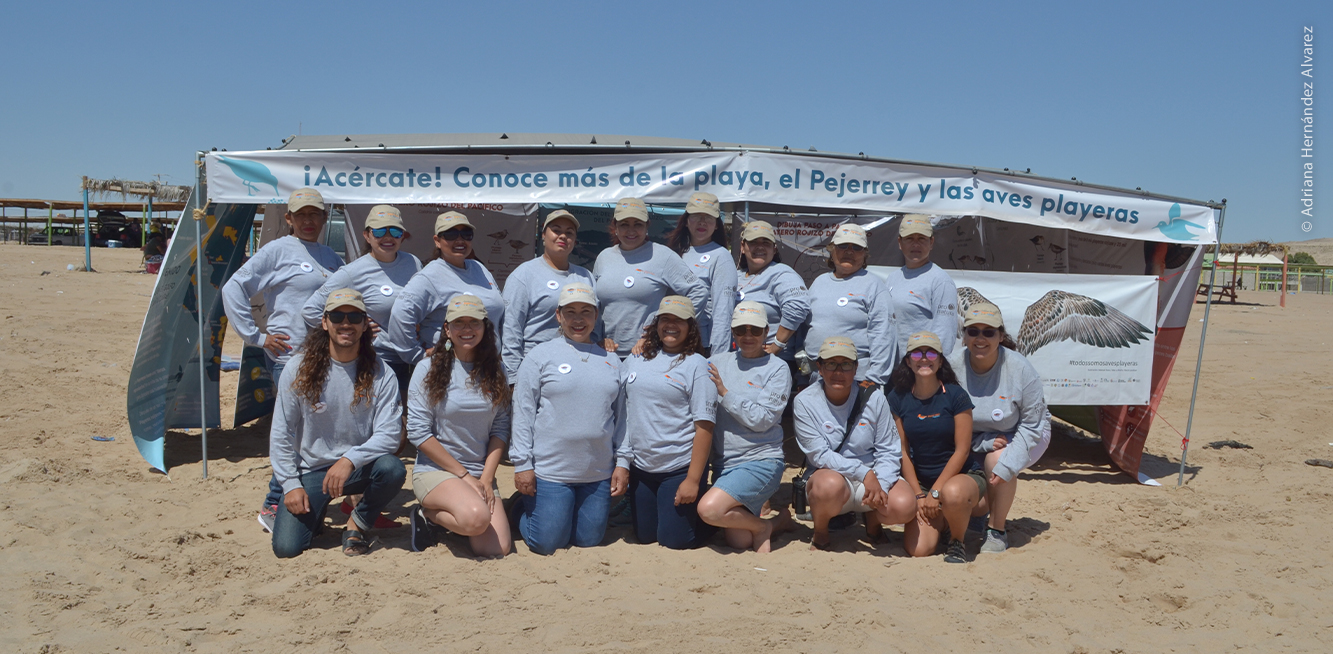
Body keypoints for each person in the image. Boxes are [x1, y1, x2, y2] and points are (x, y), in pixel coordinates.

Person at [222, 188, 344, 532]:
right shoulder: (277, 250)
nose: (309, 221)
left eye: (315, 214)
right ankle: (273, 504)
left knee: (316, 432)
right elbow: (234, 288)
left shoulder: (330, 256)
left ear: (324, 218)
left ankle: (306, 498)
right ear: (288, 219)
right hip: (289, 358)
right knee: (292, 433)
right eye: (301, 215)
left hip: (327, 360)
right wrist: (256, 336)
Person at [269, 289, 407, 558]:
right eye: (337, 316)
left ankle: (357, 522)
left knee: (392, 469)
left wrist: (349, 460)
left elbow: (390, 434)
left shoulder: (381, 372)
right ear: (324, 322)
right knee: (287, 548)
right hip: (311, 471)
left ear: (365, 323)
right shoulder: (297, 368)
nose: (346, 323)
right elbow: (281, 433)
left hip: (358, 469)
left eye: (355, 316)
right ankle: (316, 513)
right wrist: (290, 485)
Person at [509, 282, 627, 554]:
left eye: (586, 311)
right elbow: (523, 412)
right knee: (547, 542)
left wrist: (623, 463)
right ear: (558, 315)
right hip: (551, 471)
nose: (578, 319)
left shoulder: (611, 359)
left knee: (588, 539)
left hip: (597, 473)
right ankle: (517, 509)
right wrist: (522, 464)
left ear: (596, 315)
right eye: (570, 311)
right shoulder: (539, 356)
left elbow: (622, 418)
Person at [406, 295, 513, 557]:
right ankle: (427, 515)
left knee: (496, 549)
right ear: (447, 329)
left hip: (480, 474)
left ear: (485, 328)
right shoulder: (426, 369)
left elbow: (500, 428)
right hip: (437, 471)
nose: (467, 329)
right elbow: (418, 433)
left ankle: (457, 513)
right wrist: (464, 476)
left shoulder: (497, 369)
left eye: (474, 322)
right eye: (459, 323)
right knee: (475, 519)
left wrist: (486, 478)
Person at [948, 302, 1051, 555]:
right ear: (964, 336)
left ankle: (997, 530)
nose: (980, 338)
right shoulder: (951, 367)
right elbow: (945, 422)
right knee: (974, 497)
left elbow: (1032, 424)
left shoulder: (1020, 368)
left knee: (998, 462)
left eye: (988, 332)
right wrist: (980, 444)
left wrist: (1009, 465)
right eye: (973, 331)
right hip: (977, 438)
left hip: (1026, 433)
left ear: (1001, 336)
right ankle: (978, 516)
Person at [616, 296, 717, 549]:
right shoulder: (635, 359)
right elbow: (622, 410)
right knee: (645, 536)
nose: (671, 325)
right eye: (665, 319)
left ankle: (717, 515)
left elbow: (704, 427)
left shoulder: (697, 365)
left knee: (674, 540)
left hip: (679, 468)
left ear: (691, 326)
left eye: (679, 320)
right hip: (642, 469)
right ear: (656, 324)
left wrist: (692, 480)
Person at [793, 336, 912, 551]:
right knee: (827, 487)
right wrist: (864, 474)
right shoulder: (804, 401)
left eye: (846, 364)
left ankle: (873, 521)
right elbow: (819, 455)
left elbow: (889, 448)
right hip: (833, 478)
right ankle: (820, 531)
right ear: (819, 367)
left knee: (904, 506)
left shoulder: (874, 396)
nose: (838, 371)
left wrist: (881, 484)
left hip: (874, 476)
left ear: (856, 368)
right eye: (831, 364)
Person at [697, 301, 793, 553]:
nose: (748, 336)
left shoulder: (778, 368)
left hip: (761, 460)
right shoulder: (717, 361)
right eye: (741, 330)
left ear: (766, 331)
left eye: (755, 330)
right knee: (738, 541)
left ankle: (762, 527)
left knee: (710, 510)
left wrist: (724, 393)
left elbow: (763, 420)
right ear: (733, 332)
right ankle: (777, 522)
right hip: (723, 464)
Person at [303, 205, 422, 398]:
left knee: (408, 423)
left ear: (402, 235)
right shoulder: (352, 272)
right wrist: (355, 328)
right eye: (380, 231)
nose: (388, 237)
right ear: (367, 235)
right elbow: (311, 310)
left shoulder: (413, 263)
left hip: (413, 358)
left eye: (395, 231)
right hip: (377, 360)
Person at [886, 330, 983, 564]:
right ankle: (944, 520)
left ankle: (957, 542)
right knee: (918, 549)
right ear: (908, 361)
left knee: (953, 494)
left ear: (940, 360)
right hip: (921, 481)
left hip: (960, 477)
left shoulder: (956, 396)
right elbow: (901, 451)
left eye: (930, 353)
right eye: (917, 354)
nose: (924, 358)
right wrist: (919, 495)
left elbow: (962, 450)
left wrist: (936, 492)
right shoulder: (897, 397)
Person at [593, 197, 708, 357]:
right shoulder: (604, 257)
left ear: (647, 225)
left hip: (649, 354)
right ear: (615, 226)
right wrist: (598, 338)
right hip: (606, 354)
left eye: (638, 224)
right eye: (624, 224)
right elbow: (595, 306)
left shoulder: (663, 256)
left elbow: (698, 291)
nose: (631, 230)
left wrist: (666, 329)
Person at [387, 211, 504, 366]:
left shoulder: (479, 268)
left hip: (488, 367)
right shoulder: (429, 276)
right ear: (437, 241)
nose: (460, 240)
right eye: (451, 234)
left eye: (466, 234)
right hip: (449, 370)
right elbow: (400, 315)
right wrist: (417, 356)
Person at [501, 209, 595, 379]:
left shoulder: (586, 276)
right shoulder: (523, 275)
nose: (563, 236)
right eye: (556, 230)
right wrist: (513, 377)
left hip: (579, 366)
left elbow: (595, 326)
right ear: (543, 235)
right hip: (536, 368)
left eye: (569, 233)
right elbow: (511, 330)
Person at [804, 223, 896, 384]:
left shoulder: (874, 286)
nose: (849, 251)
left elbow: (884, 335)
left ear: (865, 254)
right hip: (816, 377)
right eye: (843, 245)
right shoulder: (819, 282)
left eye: (856, 248)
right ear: (832, 250)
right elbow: (804, 326)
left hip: (857, 379)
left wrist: (874, 379)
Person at [665, 192, 736, 355]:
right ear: (686, 221)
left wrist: (718, 356)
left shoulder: (721, 256)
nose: (702, 222)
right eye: (696, 216)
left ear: (717, 224)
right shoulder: (673, 253)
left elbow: (723, 310)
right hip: (669, 341)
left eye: (709, 217)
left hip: (699, 345)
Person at [734, 220, 810, 360]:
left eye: (766, 243)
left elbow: (798, 307)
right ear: (743, 247)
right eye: (753, 242)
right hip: (739, 357)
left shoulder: (782, 273)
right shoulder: (735, 276)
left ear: (774, 249)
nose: (760, 247)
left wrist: (777, 345)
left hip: (772, 360)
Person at [885, 214, 958, 358]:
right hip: (893, 371)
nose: (916, 244)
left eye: (922, 239)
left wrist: (928, 370)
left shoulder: (940, 281)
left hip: (920, 370)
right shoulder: (892, 278)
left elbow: (945, 334)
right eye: (910, 239)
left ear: (931, 242)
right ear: (900, 242)